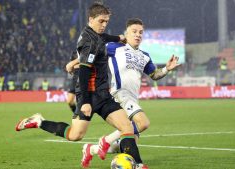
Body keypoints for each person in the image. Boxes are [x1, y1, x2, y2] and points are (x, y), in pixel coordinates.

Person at [15, 3, 144, 168]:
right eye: (101, 21)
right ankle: (40, 121)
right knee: (75, 135)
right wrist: (85, 102)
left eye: (106, 21)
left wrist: (118, 38)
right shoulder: (89, 42)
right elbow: (84, 72)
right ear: (91, 19)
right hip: (90, 95)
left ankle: (138, 165)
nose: (104, 25)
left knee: (127, 126)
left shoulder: (95, 34)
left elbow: (104, 38)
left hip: (103, 94)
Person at [81, 18, 180, 168]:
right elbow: (91, 51)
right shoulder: (114, 47)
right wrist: (75, 63)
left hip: (133, 98)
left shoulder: (145, 56)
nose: (138, 35)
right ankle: (136, 163)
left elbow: (154, 75)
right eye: (134, 32)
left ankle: (93, 148)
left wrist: (166, 69)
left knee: (125, 144)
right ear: (125, 34)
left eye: (140, 32)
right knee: (143, 122)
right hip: (119, 93)